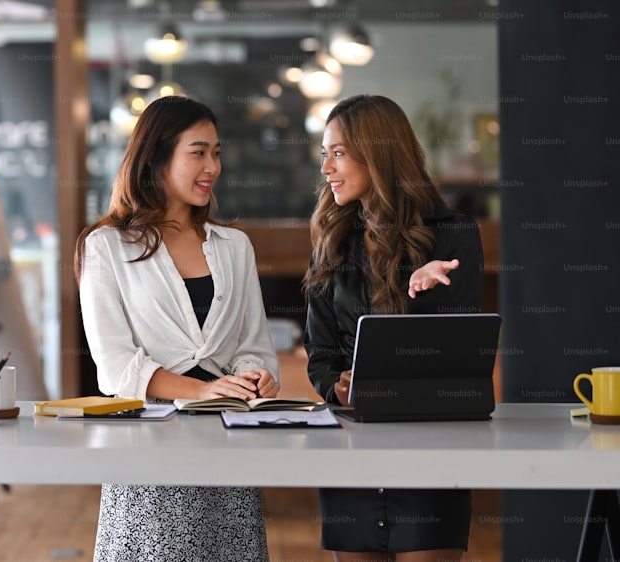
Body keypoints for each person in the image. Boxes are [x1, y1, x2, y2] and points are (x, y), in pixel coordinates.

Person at [75, 95, 280, 562]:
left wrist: (254, 376)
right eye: (198, 152)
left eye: (217, 152)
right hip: (149, 447)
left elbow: (254, 346)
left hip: (228, 442)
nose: (213, 166)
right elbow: (114, 367)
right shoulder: (105, 247)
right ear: (157, 158)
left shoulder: (235, 247)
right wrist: (200, 391)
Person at [303, 94, 483, 562]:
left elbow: (457, 358)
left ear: (379, 153)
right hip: (351, 454)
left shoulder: (452, 233)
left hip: (431, 455)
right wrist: (335, 389)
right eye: (325, 154)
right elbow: (321, 354)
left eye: (338, 153)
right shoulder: (331, 240)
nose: (327, 168)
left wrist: (422, 290)